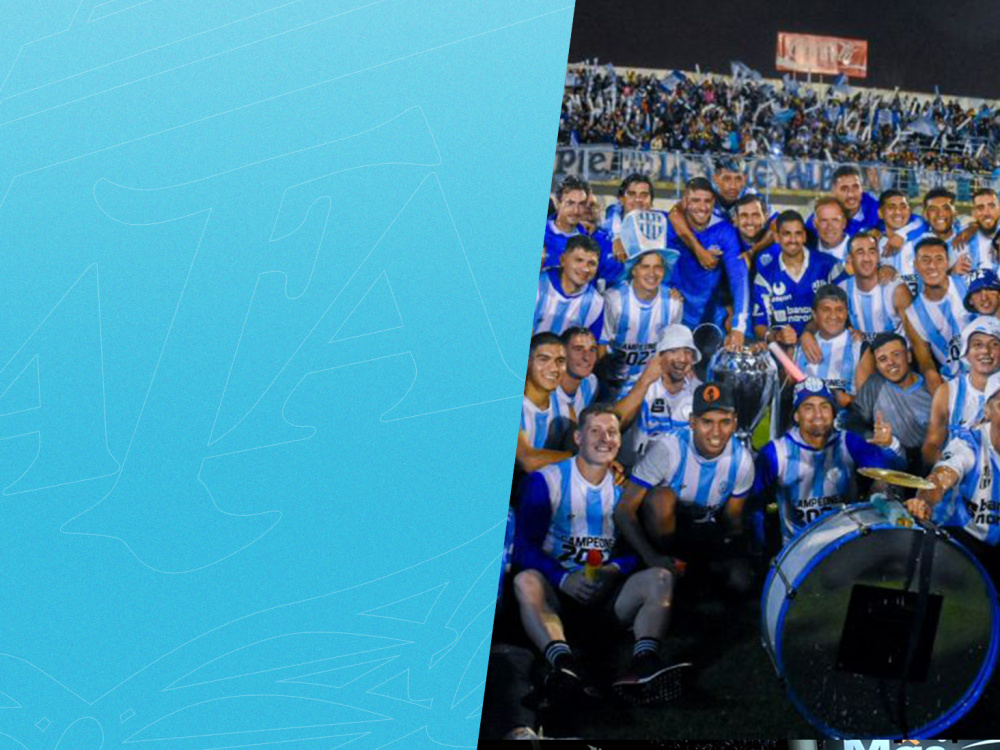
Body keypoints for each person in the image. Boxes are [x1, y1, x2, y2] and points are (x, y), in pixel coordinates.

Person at [513, 404, 690, 706]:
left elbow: (634, 551)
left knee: (660, 578)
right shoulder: (547, 481)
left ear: (620, 440)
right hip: (558, 597)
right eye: (595, 431)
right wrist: (564, 578)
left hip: (606, 598)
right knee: (526, 581)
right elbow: (522, 547)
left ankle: (644, 662)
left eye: (612, 432)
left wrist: (612, 570)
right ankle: (564, 665)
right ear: (578, 438)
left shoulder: (623, 491)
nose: (605, 439)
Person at [614, 383, 754, 574]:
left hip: (705, 533)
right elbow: (623, 510)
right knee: (661, 498)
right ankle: (664, 567)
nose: (716, 431)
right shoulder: (667, 449)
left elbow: (733, 520)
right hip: (663, 536)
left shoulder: (742, 460)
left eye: (725, 422)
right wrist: (650, 557)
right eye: (707, 422)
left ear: (735, 422)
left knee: (740, 580)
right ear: (692, 422)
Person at [754, 378, 904, 544]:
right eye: (808, 407)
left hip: (846, 543)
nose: (818, 414)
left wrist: (888, 446)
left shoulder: (849, 442)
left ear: (833, 413)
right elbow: (754, 503)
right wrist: (760, 546)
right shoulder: (776, 452)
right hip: (799, 549)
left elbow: (891, 475)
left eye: (824, 406)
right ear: (796, 416)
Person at [907, 371, 1000, 581]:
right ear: (987, 411)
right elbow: (941, 477)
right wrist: (924, 500)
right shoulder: (968, 443)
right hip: (962, 539)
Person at [665, 177, 749, 349]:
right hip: (676, 313)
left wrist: (738, 326)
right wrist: (665, 288)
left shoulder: (724, 230)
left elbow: (739, 278)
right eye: (696, 200)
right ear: (685, 202)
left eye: (707, 201)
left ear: (714, 202)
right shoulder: (668, 225)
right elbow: (653, 261)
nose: (702, 207)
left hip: (713, 319)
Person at [843, 333, 932, 473]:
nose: (890, 362)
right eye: (882, 359)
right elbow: (854, 422)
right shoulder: (874, 386)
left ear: (908, 356)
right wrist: (875, 437)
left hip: (928, 465)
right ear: (877, 366)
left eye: (896, 354)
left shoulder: (932, 388)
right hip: (889, 461)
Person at [752, 210, 841, 349]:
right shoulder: (764, 276)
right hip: (782, 351)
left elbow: (844, 311)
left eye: (798, 234)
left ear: (804, 236)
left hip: (826, 346)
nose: (793, 240)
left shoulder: (829, 265)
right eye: (787, 234)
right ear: (777, 237)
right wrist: (777, 336)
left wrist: (809, 331)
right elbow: (760, 325)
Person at [614, 325, 702, 464]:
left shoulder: (699, 392)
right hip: (634, 469)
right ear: (659, 356)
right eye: (674, 351)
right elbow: (615, 423)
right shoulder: (637, 383)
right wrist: (645, 381)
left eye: (688, 352)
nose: (682, 359)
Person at [601, 251, 684, 398]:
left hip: (653, 384)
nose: (652, 273)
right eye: (646, 266)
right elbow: (601, 346)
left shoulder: (673, 302)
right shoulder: (614, 299)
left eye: (658, 267)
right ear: (634, 270)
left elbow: (672, 349)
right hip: (615, 384)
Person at [922, 316, 1000, 466]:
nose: (985, 351)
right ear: (966, 352)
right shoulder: (947, 392)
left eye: (994, 344)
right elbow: (932, 444)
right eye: (977, 344)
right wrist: (945, 469)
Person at [902, 237, 971, 391]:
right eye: (925, 260)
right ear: (916, 265)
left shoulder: (968, 286)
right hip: (953, 382)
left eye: (939, 259)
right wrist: (936, 386)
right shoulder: (912, 315)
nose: (932, 266)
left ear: (947, 263)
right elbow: (925, 362)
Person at [794, 285, 863, 408]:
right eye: (826, 309)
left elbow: (868, 400)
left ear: (847, 313)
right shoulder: (801, 347)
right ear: (814, 314)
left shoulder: (858, 346)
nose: (833, 315)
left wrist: (845, 400)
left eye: (839, 309)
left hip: (846, 419)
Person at [543, 176, 621, 283]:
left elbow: (614, 274)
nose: (576, 211)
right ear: (558, 203)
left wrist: (617, 239)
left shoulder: (596, 238)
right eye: (570, 203)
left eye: (581, 204)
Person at [516, 333, 574, 476]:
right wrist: (580, 459)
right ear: (527, 362)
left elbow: (581, 448)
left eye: (560, 361)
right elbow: (527, 460)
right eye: (544, 359)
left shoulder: (565, 409)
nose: (554, 368)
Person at [838, 231, 909, 343]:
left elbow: (916, 337)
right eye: (860, 252)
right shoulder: (842, 289)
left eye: (872, 252)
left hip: (896, 352)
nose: (867, 258)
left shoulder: (896, 290)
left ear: (878, 256)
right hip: (861, 352)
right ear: (850, 259)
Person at [533, 235, 606, 340]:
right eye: (579, 260)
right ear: (563, 260)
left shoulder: (596, 303)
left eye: (592, 263)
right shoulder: (538, 284)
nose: (585, 269)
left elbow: (592, 344)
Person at [557, 327, 599, 417]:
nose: (587, 357)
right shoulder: (544, 389)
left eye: (592, 350)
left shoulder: (590, 383)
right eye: (578, 349)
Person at [810, 197, 851, 263]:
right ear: (815, 224)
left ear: (844, 222)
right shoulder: (807, 251)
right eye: (824, 221)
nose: (830, 227)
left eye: (835, 220)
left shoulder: (858, 250)